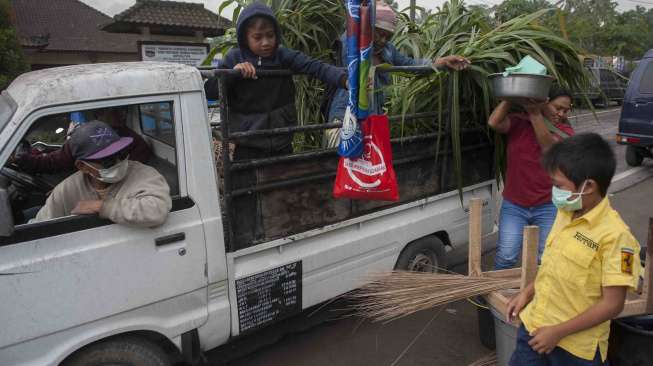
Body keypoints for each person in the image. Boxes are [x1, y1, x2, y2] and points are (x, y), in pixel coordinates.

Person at [204, 2, 348, 245]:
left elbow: (314, 67)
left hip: (281, 139)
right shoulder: (234, 58)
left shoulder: (283, 55)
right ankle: (243, 241)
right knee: (243, 198)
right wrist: (232, 74)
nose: (265, 42)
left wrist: (344, 79)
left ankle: (279, 239)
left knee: (281, 194)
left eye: (270, 35)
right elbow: (211, 90)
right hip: (248, 144)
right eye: (257, 37)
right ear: (244, 37)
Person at [507, 133, 641, 365]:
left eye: (558, 185)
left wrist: (558, 331)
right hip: (534, 327)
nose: (554, 191)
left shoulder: (618, 238)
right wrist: (527, 293)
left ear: (588, 186)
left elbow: (613, 304)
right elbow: (552, 265)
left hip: (575, 351)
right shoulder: (565, 212)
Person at [323, 0, 470, 147]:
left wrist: (441, 62)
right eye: (380, 33)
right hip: (345, 116)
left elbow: (410, 65)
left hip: (374, 117)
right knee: (343, 161)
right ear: (369, 26)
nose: (383, 40)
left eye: (388, 36)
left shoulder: (388, 50)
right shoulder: (351, 41)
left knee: (369, 165)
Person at [488, 87, 575, 269]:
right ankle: (495, 293)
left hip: (548, 206)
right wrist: (512, 96)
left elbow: (549, 149)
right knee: (506, 256)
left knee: (545, 258)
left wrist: (535, 114)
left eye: (566, 110)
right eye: (557, 108)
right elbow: (494, 123)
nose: (561, 114)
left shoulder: (565, 131)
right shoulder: (519, 123)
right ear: (544, 101)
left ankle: (539, 295)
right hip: (514, 205)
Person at [32, 121, 171, 228]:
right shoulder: (66, 190)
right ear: (82, 166)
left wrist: (102, 207)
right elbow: (40, 226)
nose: (119, 162)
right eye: (108, 160)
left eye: (121, 154)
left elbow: (157, 210)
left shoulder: (143, 174)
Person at [14, 106, 152, 174]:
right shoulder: (83, 136)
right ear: (99, 114)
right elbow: (57, 160)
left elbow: (127, 175)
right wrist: (24, 159)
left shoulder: (133, 141)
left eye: (124, 111)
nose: (122, 115)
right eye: (115, 111)